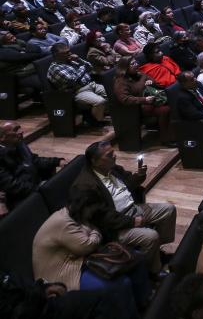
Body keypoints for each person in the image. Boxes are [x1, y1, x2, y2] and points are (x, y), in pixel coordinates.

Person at [32, 187, 150, 318]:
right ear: (83, 207)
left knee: (135, 261)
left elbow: (87, 238)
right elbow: (88, 245)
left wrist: (91, 232)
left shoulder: (73, 215)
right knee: (120, 283)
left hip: (77, 261)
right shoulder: (62, 222)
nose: (91, 215)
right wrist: (95, 230)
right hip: (60, 274)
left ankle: (144, 306)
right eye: (91, 211)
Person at [71, 140, 177, 275]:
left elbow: (127, 184)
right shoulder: (86, 186)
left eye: (113, 152)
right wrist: (132, 222)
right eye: (109, 155)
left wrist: (139, 176)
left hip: (133, 210)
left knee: (169, 210)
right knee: (151, 236)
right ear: (95, 161)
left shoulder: (111, 168)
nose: (114, 156)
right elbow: (103, 218)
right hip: (115, 227)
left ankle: (156, 252)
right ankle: (152, 272)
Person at [0, 121, 63, 210]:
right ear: (2, 137)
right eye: (16, 130)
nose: (21, 132)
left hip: (35, 184)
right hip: (21, 196)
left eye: (20, 128)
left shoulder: (19, 143)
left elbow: (34, 160)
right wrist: (39, 189)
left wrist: (57, 161)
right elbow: (13, 185)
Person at [112, 56, 173, 144]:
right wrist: (144, 99)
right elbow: (125, 99)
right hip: (138, 107)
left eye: (136, 62)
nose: (136, 64)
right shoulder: (121, 82)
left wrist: (151, 82)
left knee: (172, 101)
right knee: (166, 110)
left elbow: (151, 79)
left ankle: (173, 133)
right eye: (133, 64)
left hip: (151, 100)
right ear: (125, 67)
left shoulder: (138, 73)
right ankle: (166, 139)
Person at [46, 42, 109, 125]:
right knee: (100, 102)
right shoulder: (55, 69)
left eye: (69, 51)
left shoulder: (70, 61)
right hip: (78, 91)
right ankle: (95, 121)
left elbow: (90, 66)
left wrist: (79, 59)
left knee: (110, 93)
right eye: (66, 53)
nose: (70, 54)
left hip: (91, 84)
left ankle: (92, 116)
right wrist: (83, 68)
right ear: (56, 55)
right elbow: (72, 80)